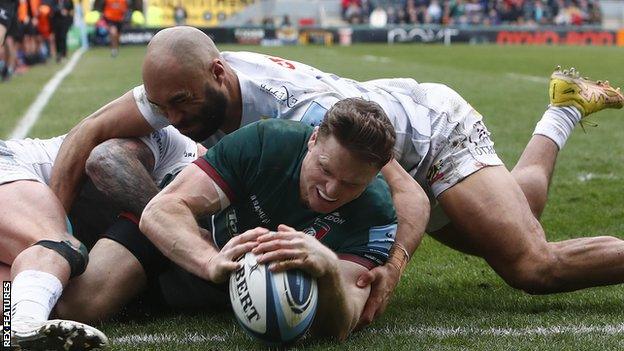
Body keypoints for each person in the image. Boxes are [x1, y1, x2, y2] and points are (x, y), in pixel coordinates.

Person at [50, 26, 624, 328]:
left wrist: (390, 274)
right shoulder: (181, 81)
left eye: (179, 105)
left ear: (219, 75)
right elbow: (86, 135)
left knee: (531, 263)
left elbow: (405, 195)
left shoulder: (302, 116)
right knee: (518, 208)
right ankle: (565, 107)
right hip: (360, 162)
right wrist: (54, 237)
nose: (170, 120)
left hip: (425, 137)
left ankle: (564, 110)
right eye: (161, 107)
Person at [138, 99, 399, 340]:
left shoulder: (375, 214)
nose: (331, 190)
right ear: (314, 138)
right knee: (99, 295)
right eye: (325, 169)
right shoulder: (267, 142)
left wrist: (329, 269)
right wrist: (209, 261)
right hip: (191, 242)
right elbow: (159, 211)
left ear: (375, 174)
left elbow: (341, 327)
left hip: (222, 292)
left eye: (351, 184)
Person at [0, 125, 198, 349]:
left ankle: (16, 326)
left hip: (34, 257)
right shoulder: (175, 145)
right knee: (58, 245)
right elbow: (106, 158)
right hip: (9, 169)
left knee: (19, 296)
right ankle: (24, 323)